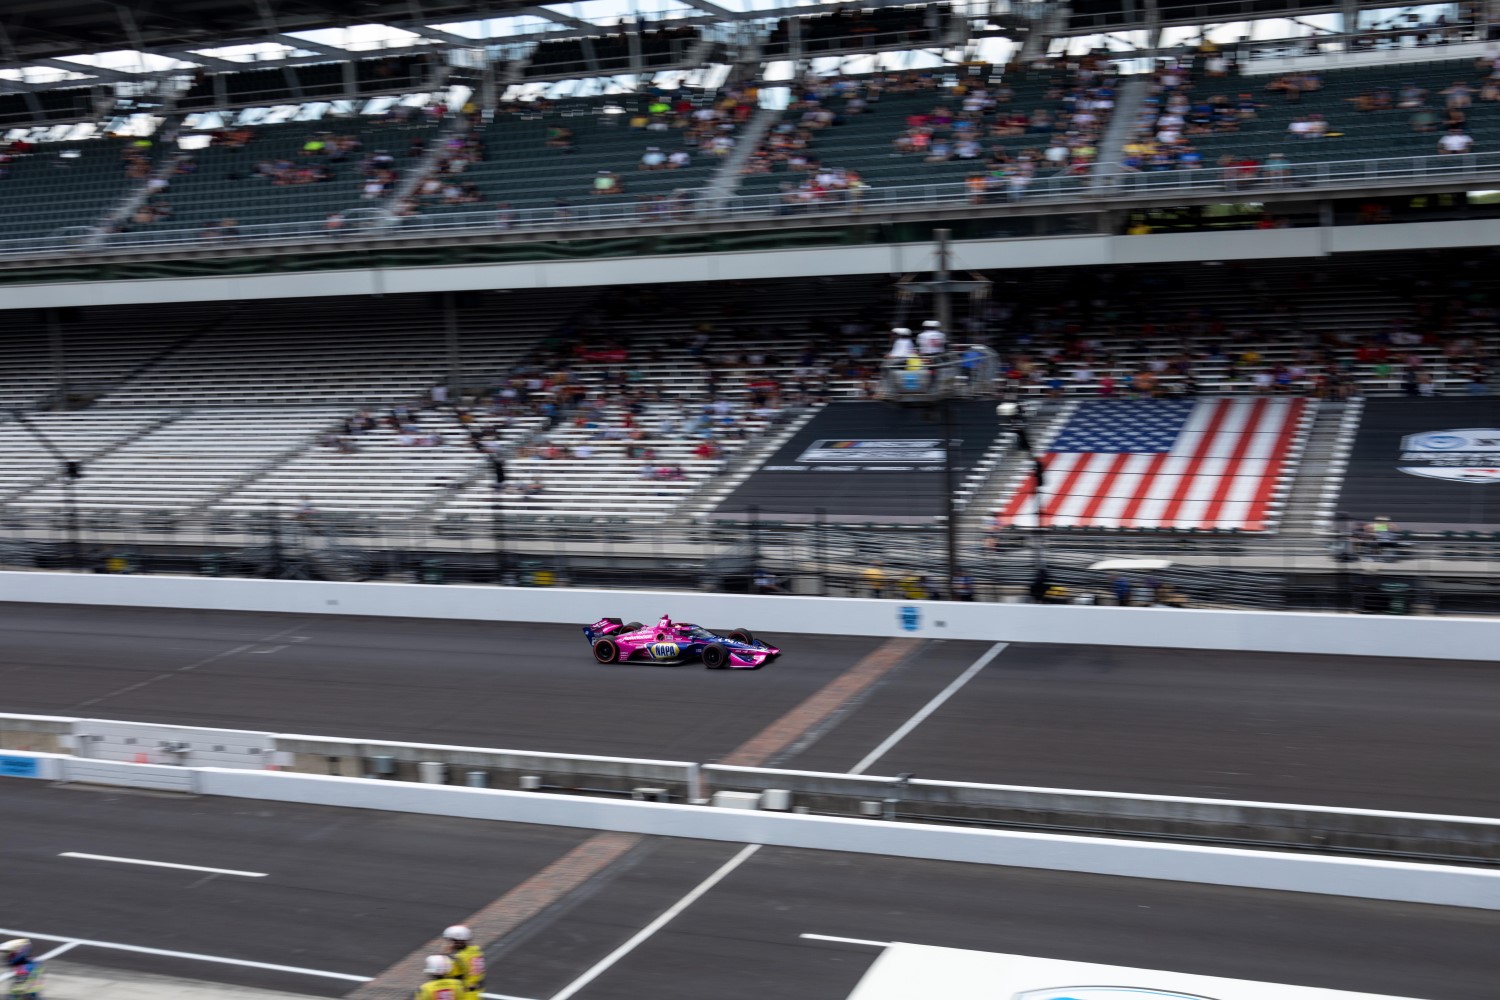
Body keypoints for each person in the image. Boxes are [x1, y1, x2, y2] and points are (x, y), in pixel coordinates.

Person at [443, 925, 486, 1000]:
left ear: (458, 941)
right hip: (476, 991)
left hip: (465, 993)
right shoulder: (476, 951)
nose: (450, 943)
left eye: (452, 941)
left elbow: (450, 975)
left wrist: (446, 955)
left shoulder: (458, 958)